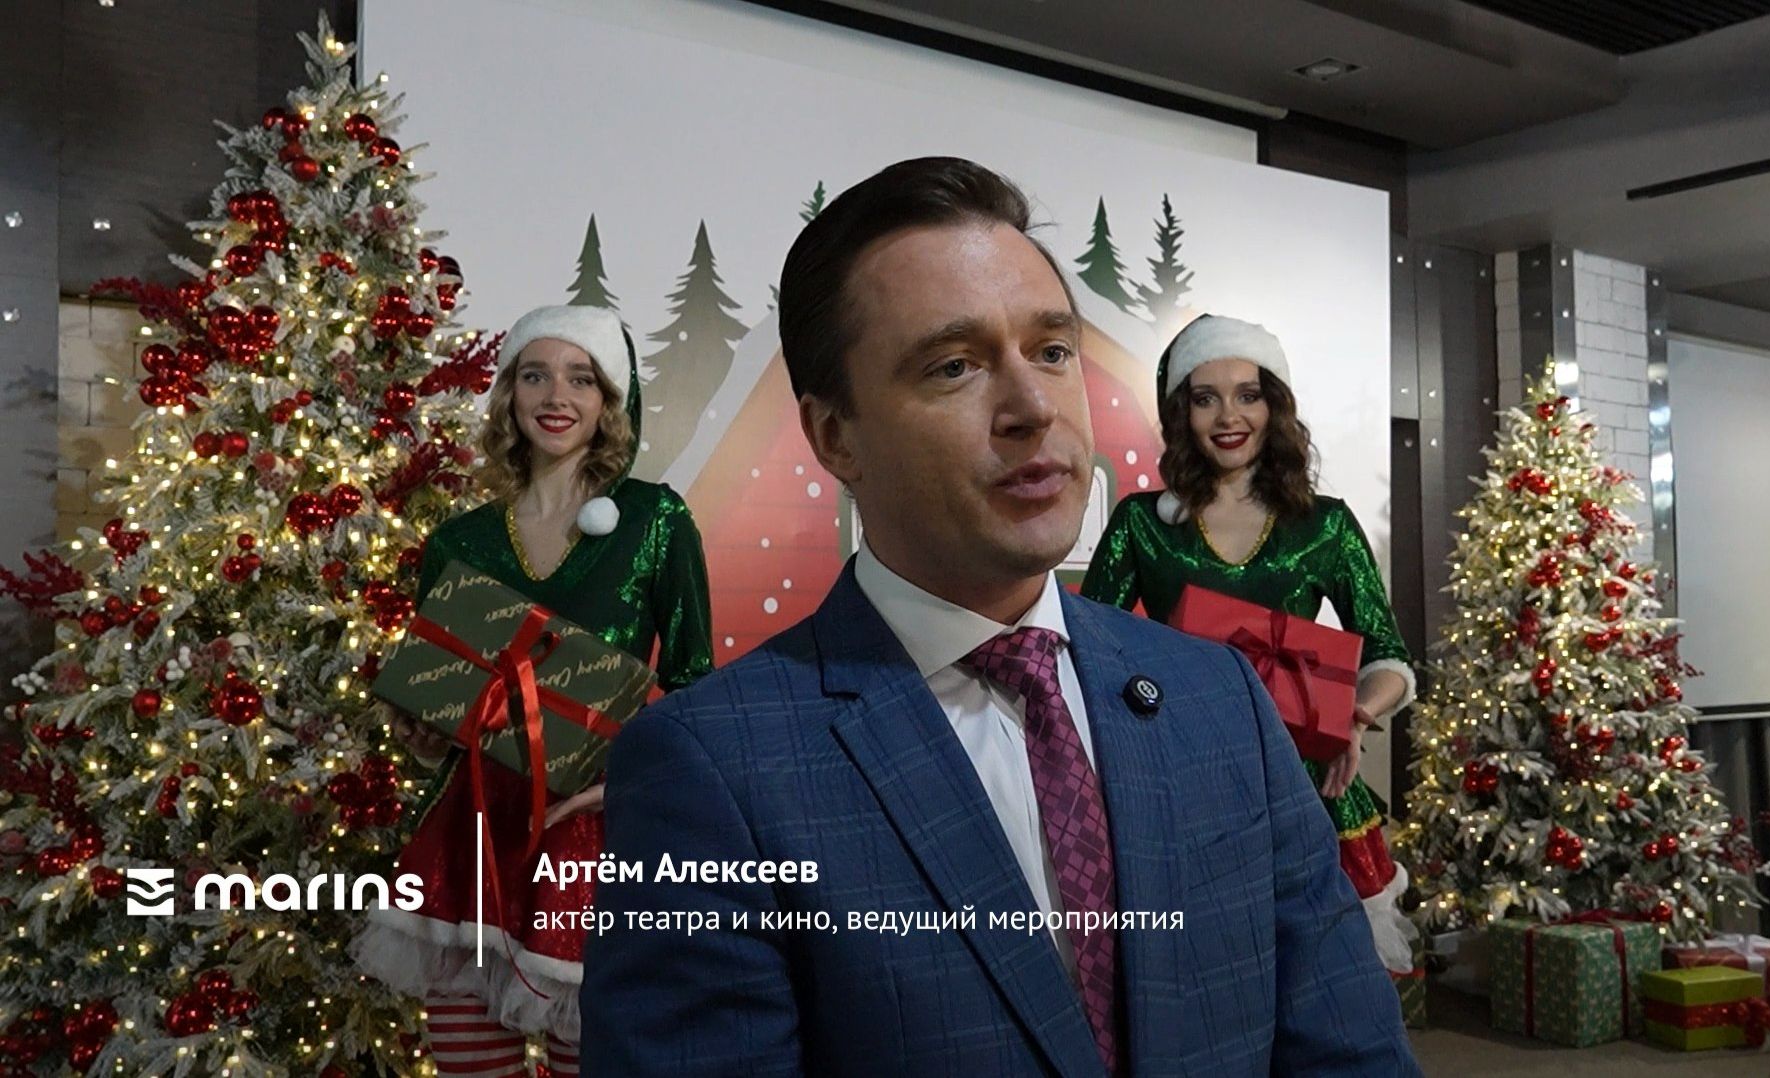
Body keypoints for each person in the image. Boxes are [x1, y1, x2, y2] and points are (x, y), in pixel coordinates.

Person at [582, 158, 1418, 1076]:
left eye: (1052, 351)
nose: (1033, 407)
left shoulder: (1221, 701)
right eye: (954, 366)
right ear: (834, 435)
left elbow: (1349, 1052)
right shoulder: (711, 770)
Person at [351, 305, 712, 1078]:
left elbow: (695, 686)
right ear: (509, 394)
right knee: (470, 1060)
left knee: (602, 1059)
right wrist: (421, 732)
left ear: (609, 401)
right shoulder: (461, 541)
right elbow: (442, 697)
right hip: (472, 834)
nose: (556, 396)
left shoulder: (654, 520)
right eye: (535, 375)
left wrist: (632, 784)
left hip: (598, 837)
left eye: (581, 378)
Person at [1079, 314, 1420, 973]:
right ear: (1182, 413)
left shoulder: (1325, 525)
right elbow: (1088, 652)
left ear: (1274, 407)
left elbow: (1388, 656)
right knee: (1200, 973)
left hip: (1308, 783)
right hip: (1180, 779)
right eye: (1205, 398)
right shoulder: (1141, 525)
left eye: (1248, 394)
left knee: (1323, 979)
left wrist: (1353, 716)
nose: (1228, 416)